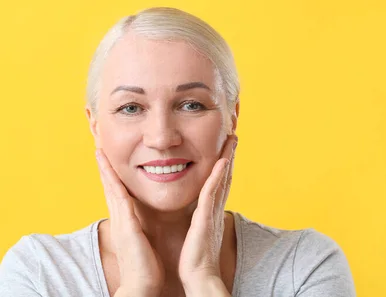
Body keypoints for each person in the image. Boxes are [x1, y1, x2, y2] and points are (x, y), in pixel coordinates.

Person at [0, 7, 355, 297]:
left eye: (190, 105)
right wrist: (138, 287)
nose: (161, 137)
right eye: (131, 108)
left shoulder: (303, 265)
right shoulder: (38, 273)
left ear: (232, 115)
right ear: (94, 124)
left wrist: (204, 280)